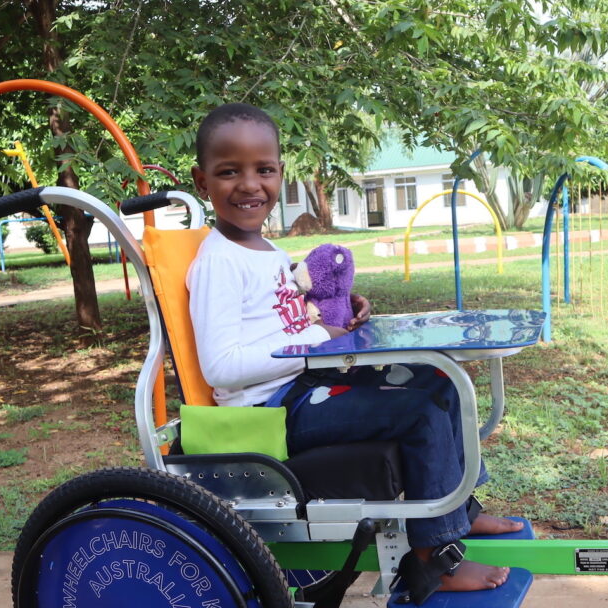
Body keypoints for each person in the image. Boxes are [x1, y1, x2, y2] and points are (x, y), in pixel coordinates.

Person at [186, 102, 522, 599]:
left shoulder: (269, 252)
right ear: (202, 180)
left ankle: (460, 509)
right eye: (229, 172)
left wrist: (338, 310)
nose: (250, 185)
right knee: (421, 411)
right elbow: (222, 368)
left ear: (281, 173)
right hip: (270, 411)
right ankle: (433, 560)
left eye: (264, 170)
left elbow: (291, 313)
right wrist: (319, 340)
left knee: (437, 380)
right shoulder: (217, 262)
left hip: (303, 386)